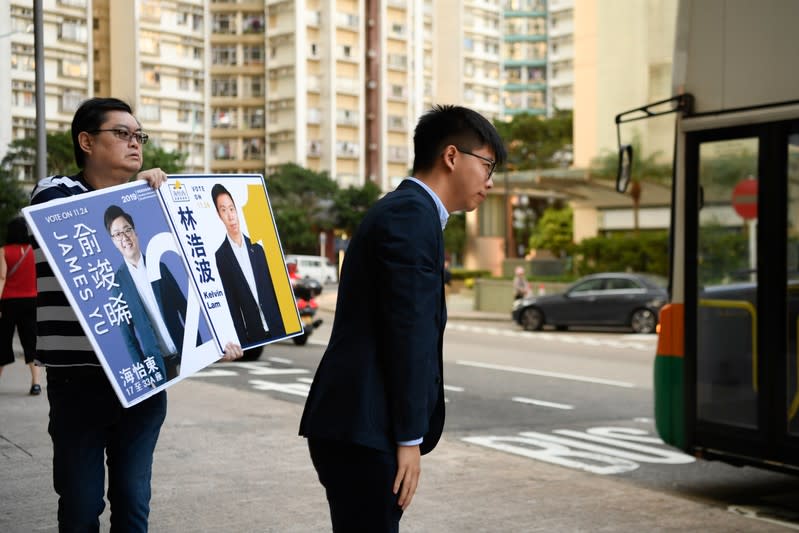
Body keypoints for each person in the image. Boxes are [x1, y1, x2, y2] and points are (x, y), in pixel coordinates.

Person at [29, 97, 243, 532]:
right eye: (122, 133)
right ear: (86, 141)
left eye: (139, 135)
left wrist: (214, 338)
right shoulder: (55, 194)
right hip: (78, 382)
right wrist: (133, 196)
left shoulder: (150, 209)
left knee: (132, 501)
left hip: (145, 381)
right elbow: (62, 211)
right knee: (80, 504)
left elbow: (189, 287)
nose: (134, 143)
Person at [299, 104, 506, 532]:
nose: (490, 180)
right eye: (487, 164)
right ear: (451, 157)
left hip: (359, 425)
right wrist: (408, 439)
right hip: (365, 428)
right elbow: (409, 334)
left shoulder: (411, 212)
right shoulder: (410, 217)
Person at [104, 204, 192, 382]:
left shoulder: (158, 265)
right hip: (157, 364)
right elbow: (128, 337)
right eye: (117, 234)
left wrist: (196, 346)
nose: (124, 237)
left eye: (127, 230)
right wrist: (144, 374)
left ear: (135, 232)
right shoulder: (117, 283)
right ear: (113, 241)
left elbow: (184, 307)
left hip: (185, 352)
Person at [212, 183, 285, 347]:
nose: (230, 216)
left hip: (278, 327)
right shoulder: (221, 256)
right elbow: (231, 304)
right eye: (224, 210)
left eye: (231, 209)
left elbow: (276, 289)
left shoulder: (258, 249)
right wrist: (241, 341)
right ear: (218, 215)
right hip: (253, 335)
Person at [0, 216, 40, 395]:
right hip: (31, 301)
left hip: (8, 302)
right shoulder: (35, 251)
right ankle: (36, 383)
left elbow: (2, 278)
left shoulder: (3, 251)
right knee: (31, 341)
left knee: (2, 341)